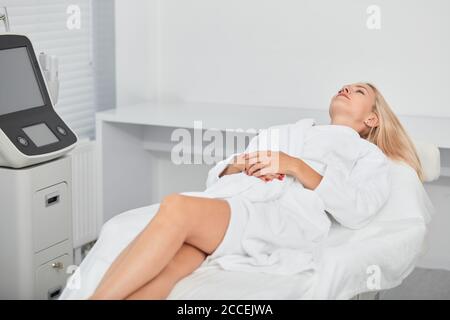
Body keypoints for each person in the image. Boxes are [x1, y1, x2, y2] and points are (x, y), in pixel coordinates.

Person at [89, 83, 423, 300]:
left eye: (359, 91)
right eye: (344, 87)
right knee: (175, 265)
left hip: (282, 216)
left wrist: (295, 166)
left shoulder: (368, 156)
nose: (346, 88)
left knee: (176, 207)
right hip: (237, 201)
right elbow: (218, 176)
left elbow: (358, 210)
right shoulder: (284, 132)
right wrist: (236, 166)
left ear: (372, 120)